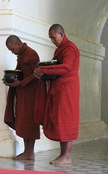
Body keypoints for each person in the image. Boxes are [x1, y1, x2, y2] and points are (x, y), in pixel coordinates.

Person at [34, 24, 80, 166]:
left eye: (53, 37)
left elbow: (66, 67)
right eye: (50, 38)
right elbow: (57, 66)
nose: (52, 41)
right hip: (59, 89)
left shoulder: (70, 48)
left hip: (67, 90)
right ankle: (62, 155)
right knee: (60, 120)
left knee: (66, 120)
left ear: (61, 34)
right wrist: (43, 71)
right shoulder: (60, 49)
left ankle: (67, 156)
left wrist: (45, 70)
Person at [3, 35, 40, 160]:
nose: (12, 52)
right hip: (22, 93)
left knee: (30, 122)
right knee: (23, 121)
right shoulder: (22, 55)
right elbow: (22, 73)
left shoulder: (31, 54)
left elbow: (37, 74)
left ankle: (30, 152)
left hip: (31, 94)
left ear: (18, 44)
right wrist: (11, 79)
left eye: (13, 49)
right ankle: (26, 151)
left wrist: (20, 83)